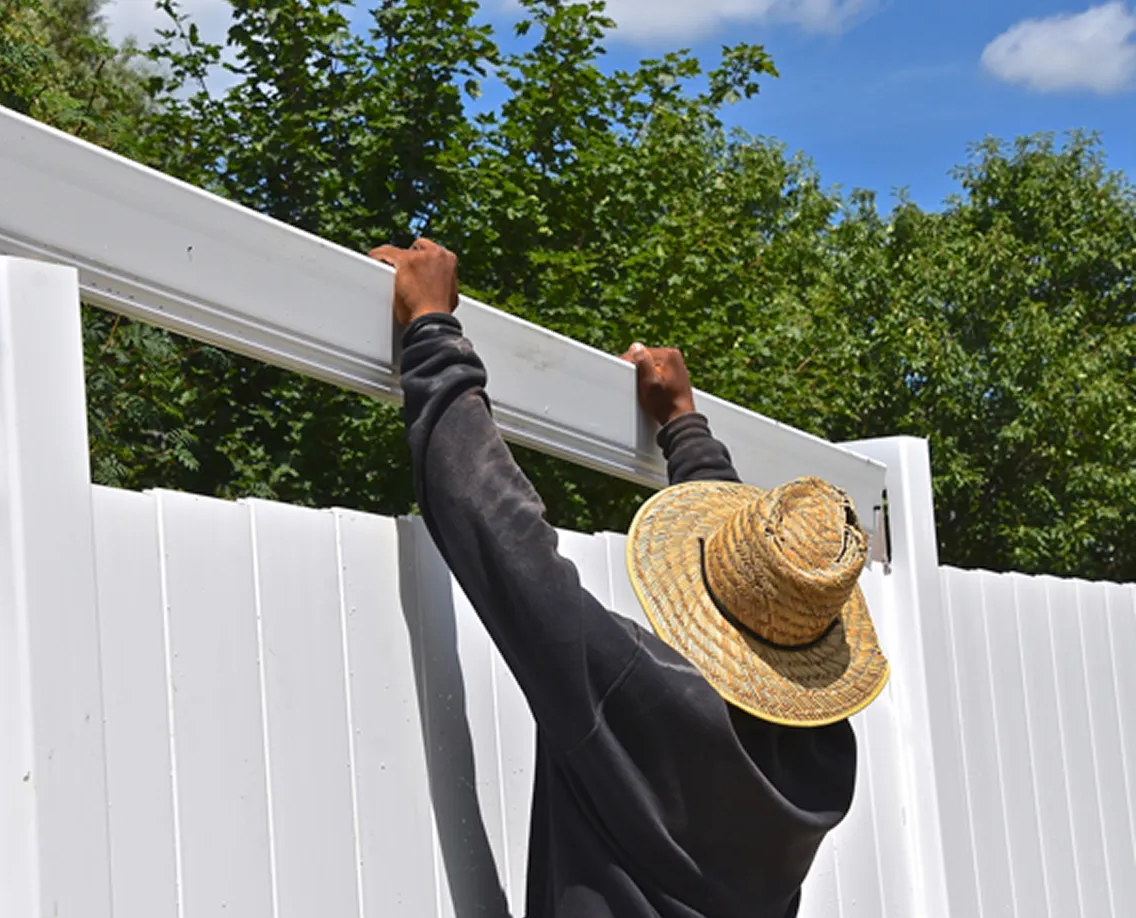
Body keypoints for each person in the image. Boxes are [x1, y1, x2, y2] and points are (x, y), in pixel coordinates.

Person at [369, 238, 890, 918]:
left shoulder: (637, 699)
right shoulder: (820, 761)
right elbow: (755, 590)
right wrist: (685, 428)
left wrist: (432, 329)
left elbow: (502, 539)